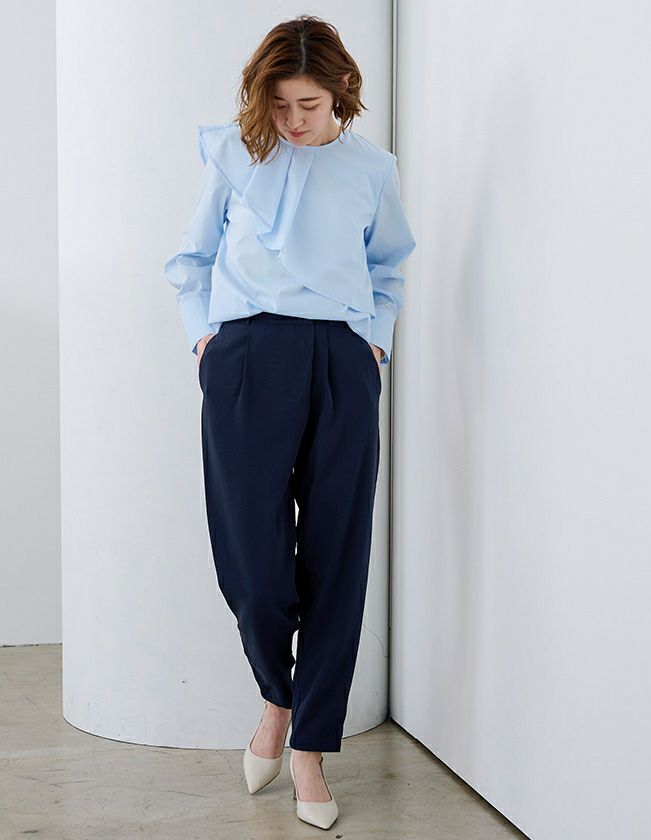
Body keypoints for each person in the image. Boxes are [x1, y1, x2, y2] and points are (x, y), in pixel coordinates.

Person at [164, 14, 416, 830]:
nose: (292, 120)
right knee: (254, 562)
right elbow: (190, 260)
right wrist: (205, 342)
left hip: (340, 361)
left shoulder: (372, 170)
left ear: (341, 91)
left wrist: (372, 346)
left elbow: (388, 267)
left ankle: (308, 747)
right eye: (278, 105)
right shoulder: (234, 155)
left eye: (308, 104)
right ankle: (279, 696)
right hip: (245, 359)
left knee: (338, 554)